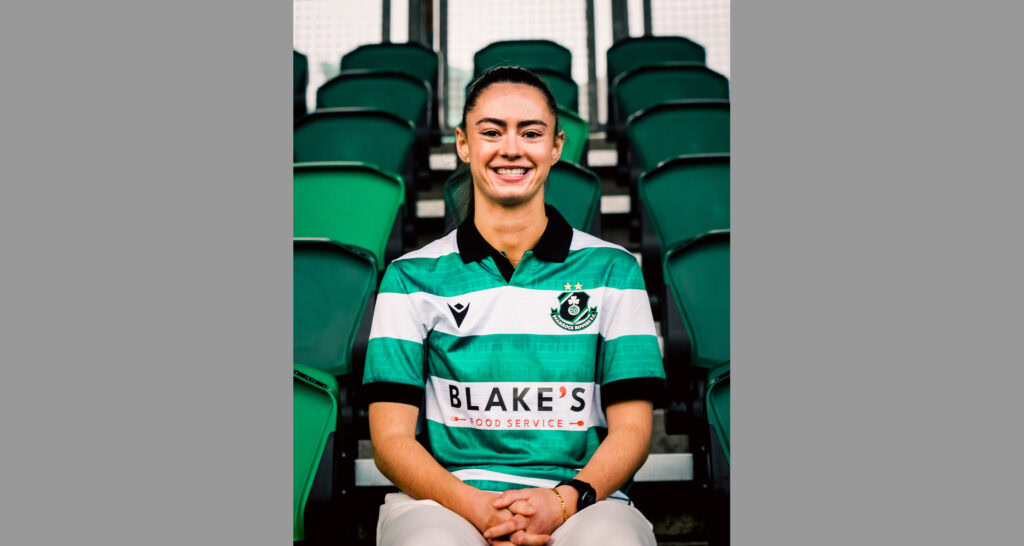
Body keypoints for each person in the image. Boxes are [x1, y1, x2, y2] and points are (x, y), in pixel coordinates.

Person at [362, 66, 665, 546]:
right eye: (491, 131)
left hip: (584, 501)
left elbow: (632, 429)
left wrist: (561, 501)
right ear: (463, 144)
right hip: (443, 502)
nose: (511, 148)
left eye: (530, 132)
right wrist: (478, 508)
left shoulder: (615, 270)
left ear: (556, 147)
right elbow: (391, 441)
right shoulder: (409, 277)